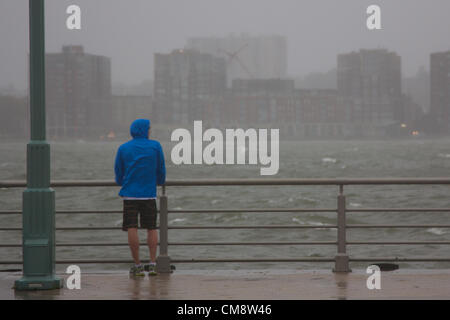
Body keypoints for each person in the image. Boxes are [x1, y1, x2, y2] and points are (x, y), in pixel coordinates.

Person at [114, 119, 166, 277]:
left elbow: (118, 172)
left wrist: (123, 182)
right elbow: (161, 169)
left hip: (129, 194)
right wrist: (159, 182)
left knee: (131, 227)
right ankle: (152, 264)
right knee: (151, 228)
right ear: (145, 130)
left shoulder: (123, 148)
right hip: (149, 194)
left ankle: (137, 265)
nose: (150, 130)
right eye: (149, 128)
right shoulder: (155, 146)